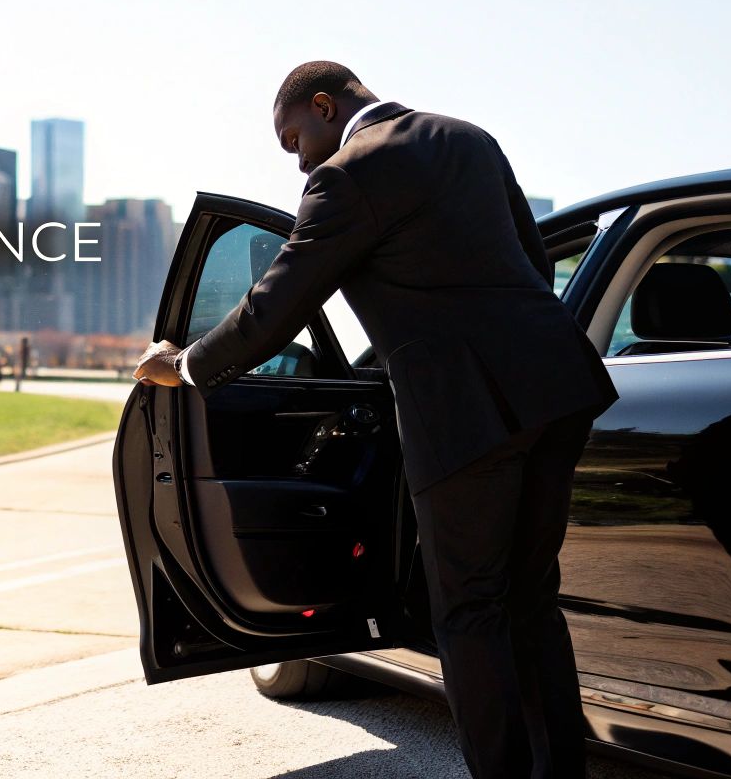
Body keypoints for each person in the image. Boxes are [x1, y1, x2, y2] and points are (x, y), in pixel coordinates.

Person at [133, 61, 618, 779]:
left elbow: (278, 306)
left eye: (294, 138)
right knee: (531, 600)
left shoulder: (347, 176)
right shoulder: (470, 138)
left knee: (471, 610)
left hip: (464, 412)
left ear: (325, 107)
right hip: (556, 387)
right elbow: (531, 260)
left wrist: (186, 364)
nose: (296, 159)